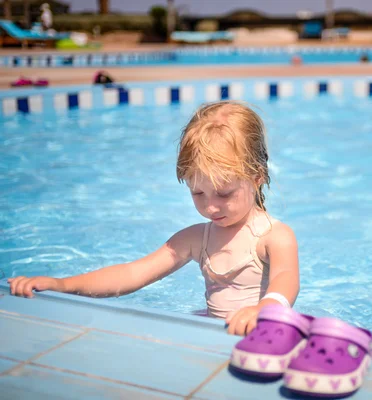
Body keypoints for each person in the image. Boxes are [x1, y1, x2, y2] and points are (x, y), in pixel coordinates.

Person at [8, 101, 301, 337]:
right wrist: (62, 285)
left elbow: (286, 281)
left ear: (257, 178)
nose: (211, 207)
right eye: (198, 193)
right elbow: (133, 274)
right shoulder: (196, 239)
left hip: (265, 335)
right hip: (215, 336)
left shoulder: (273, 236)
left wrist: (264, 309)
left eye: (224, 194)